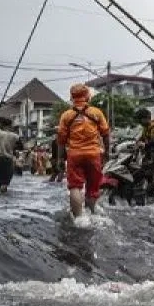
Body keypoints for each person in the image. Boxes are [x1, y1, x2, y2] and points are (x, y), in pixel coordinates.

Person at [56, 84, 111, 221]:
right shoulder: (96, 112)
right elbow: (106, 134)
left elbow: (61, 140)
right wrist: (107, 152)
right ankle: (93, 215)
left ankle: (80, 219)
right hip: (93, 154)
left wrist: (59, 159)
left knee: (75, 186)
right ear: (87, 96)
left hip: (75, 155)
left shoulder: (66, 115)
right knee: (93, 187)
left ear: (72, 97)